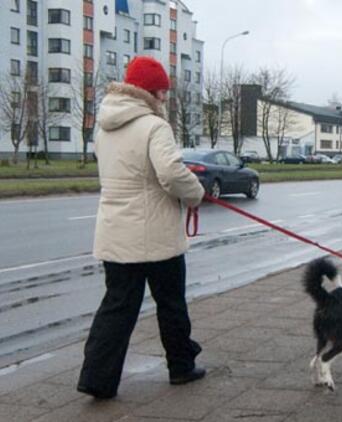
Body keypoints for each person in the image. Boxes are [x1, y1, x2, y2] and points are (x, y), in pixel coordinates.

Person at [77, 56, 206, 399]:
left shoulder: (104, 127)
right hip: (157, 236)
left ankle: (96, 378)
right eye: (163, 91)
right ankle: (181, 366)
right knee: (171, 304)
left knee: (117, 307)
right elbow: (171, 172)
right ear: (150, 92)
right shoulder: (153, 126)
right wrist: (196, 194)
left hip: (116, 232)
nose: (165, 98)